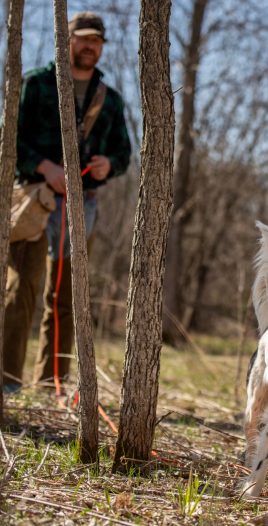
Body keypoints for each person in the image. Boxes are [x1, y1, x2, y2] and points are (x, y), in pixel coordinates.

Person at [2, 12, 131, 392]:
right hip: (34, 200)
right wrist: (44, 167)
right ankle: (7, 381)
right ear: (66, 39)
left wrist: (110, 165)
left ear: (102, 46)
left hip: (83, 205)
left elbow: (122, 154)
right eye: (82, 38)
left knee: (66, 296)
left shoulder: (110, 100)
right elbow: (9, 140)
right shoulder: (36, 85)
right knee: (21, 288)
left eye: (96, 40)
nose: (89, 45)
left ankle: (51, 383)